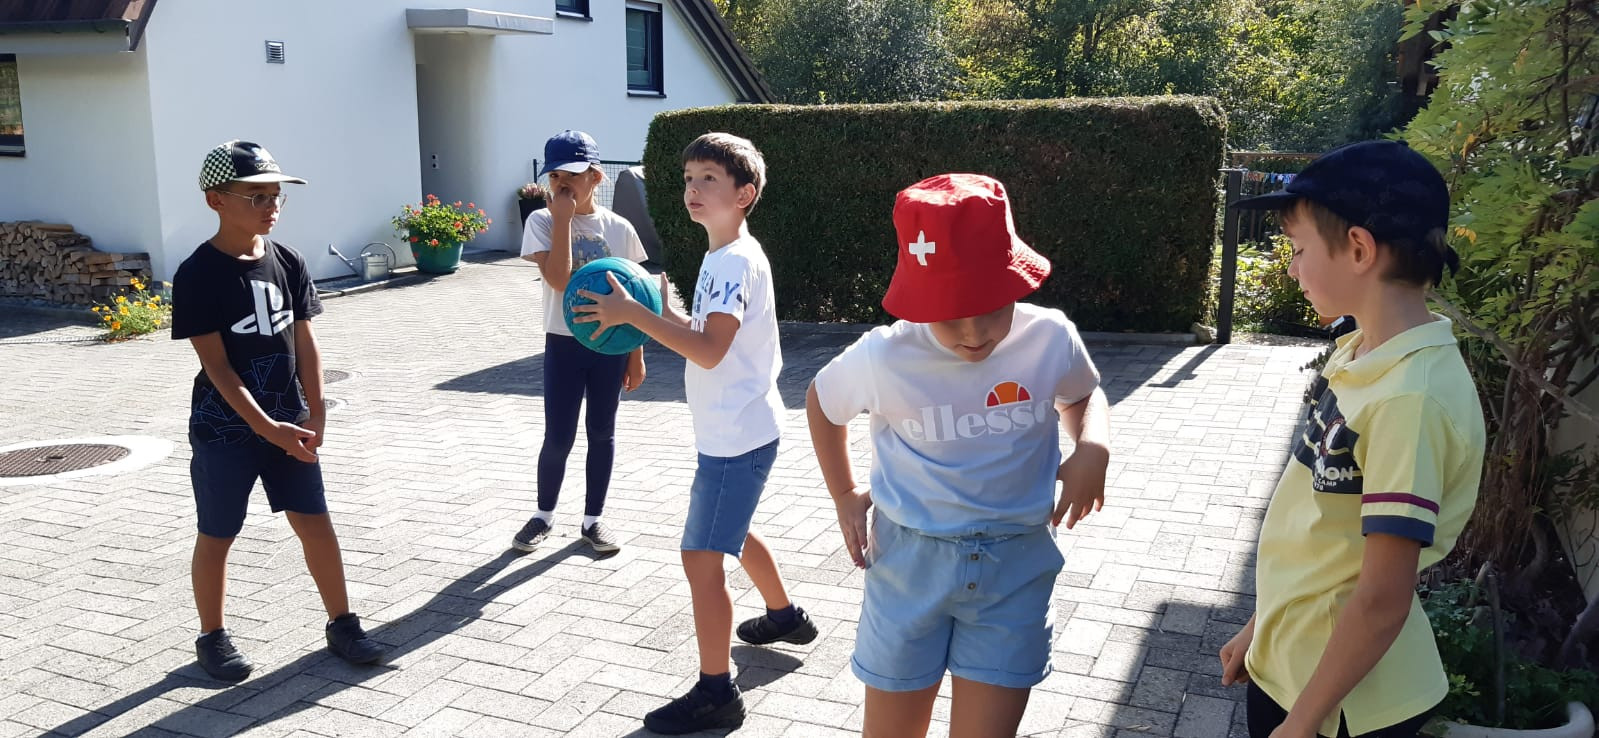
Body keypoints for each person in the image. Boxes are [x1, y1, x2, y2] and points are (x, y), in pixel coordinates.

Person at [805, 172, 1111, 738]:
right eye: (948, 312)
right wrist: (844, 494)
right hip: (908, 566)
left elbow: (1082, 395)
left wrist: (1092, 444)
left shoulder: (1051, 337)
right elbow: (822, 403)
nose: (973, 333)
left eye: (991, 306)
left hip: (1014, 567)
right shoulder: (884, 355)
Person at [1220, 140, 1485, 738]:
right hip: (1294, 665)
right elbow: (1322, 541)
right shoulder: (1362, 353)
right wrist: (1261, 631)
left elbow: (1383, 598)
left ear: (1360, 249)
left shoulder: (1410, 400)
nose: (1292, 269)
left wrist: (1300, 722)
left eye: (1298, 250)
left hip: (1338, 705)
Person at [572, 132, 816, 735]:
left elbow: (709, 351)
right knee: (730, 530)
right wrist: (660, 313)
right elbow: (703, 332)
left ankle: (716, 693)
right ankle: (784, 617)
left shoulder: (734, 261)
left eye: (709, 178)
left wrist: (635, 316)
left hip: (737, 437)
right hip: (735, 431)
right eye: (688, 178)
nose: (693, 189)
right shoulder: (722, 255)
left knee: (700, 557)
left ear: (745, 193)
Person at [171, 140, 386, 681]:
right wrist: (266, 428)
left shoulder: (288, 261)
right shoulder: (198, 274)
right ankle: (212, 636)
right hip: (226, 429)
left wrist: (316, 413)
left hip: (291, 423)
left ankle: (342, 623)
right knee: (218, 532)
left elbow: (306, 343)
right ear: (216, 200)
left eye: (276, 196)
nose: (271, 207)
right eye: (257, 197)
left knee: (315, 522)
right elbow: (217, 366)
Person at [513, 130, 649, 555]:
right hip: (563, 342)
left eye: (572, 175)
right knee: (559, 435)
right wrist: (562, 221)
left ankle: (593, 520)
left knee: (602, 431)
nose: (562, 185)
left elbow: (635, 298)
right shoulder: (541, 221)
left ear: (596, 177)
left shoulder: (619, 229)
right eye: (555, 176)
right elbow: (557, 280)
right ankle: (543, 515)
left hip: (611, 345)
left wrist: (636, 354)